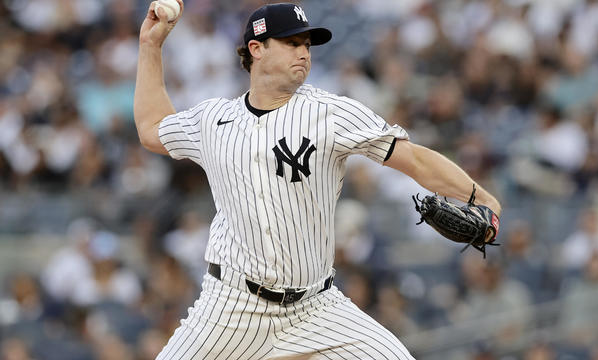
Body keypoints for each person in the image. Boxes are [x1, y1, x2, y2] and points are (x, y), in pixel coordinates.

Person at [134, 2, 502, 359]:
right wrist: (151, 45)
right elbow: (152, 129)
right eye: (292, 43)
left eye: (307, 45)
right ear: (256, 48)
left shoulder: (331, 114)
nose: (304, 53)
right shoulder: (213, 120)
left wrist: (481, 197)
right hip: (231, 307)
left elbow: (416, 159)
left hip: (314, 307)